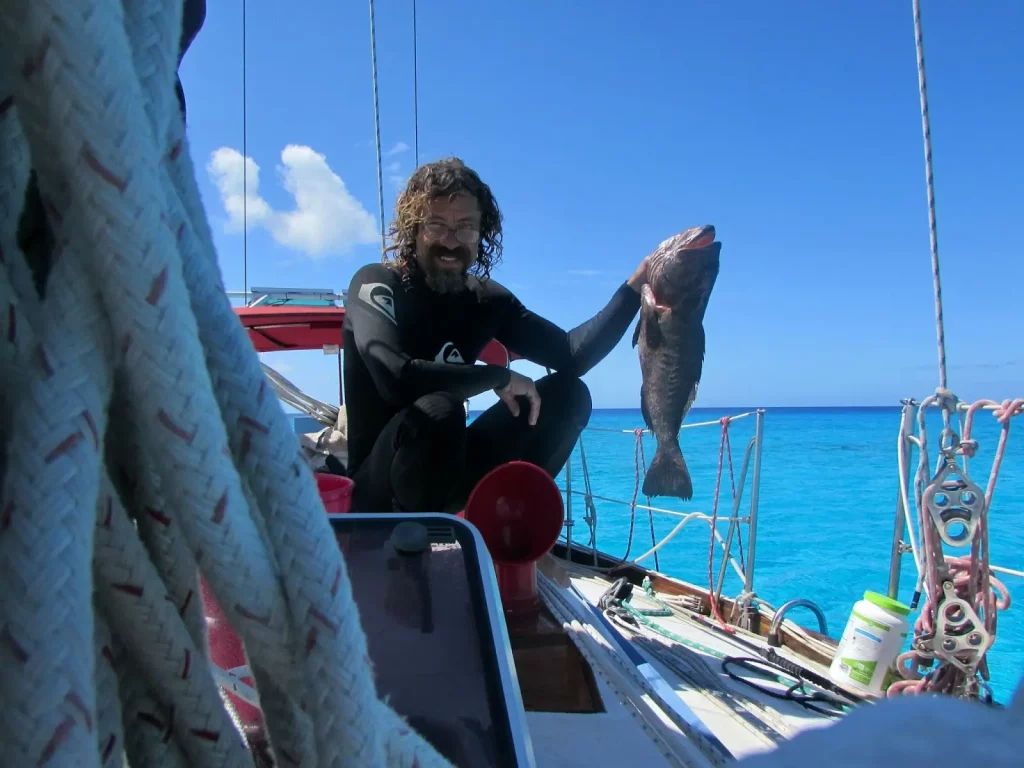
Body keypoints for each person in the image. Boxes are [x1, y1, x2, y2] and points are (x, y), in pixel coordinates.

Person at [343, 157, 648, 513]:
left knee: (568, 395)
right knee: (441, 410)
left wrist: (635, 287)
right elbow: (394, 376)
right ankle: (417, 545)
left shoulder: (486, 300)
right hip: (376, 491)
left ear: (481, 233)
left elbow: (572, 356)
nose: (451, 242)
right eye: (437, 225)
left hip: (445, 476)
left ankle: (511, 528)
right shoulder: (377, 283)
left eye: (465, 227)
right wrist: (497, 377)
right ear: (414, 229)